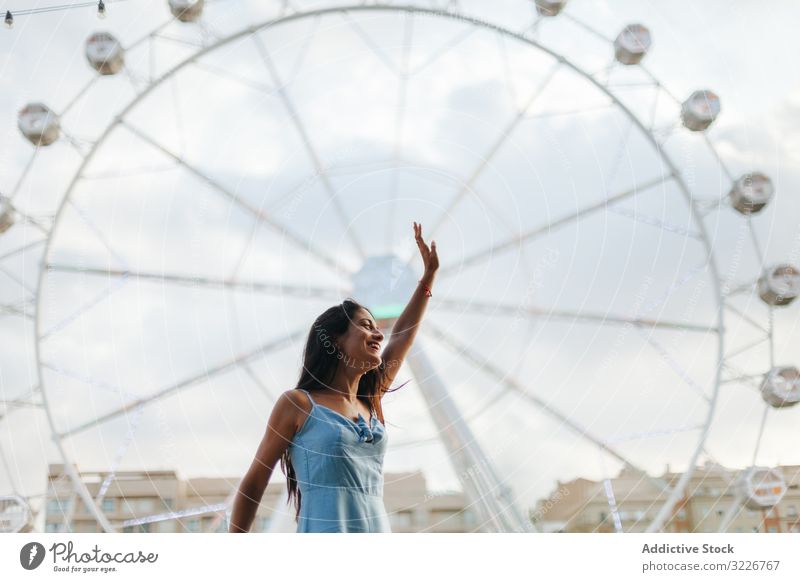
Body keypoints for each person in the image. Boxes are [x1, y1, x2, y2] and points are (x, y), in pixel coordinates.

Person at [229, 221, 439, 532]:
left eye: (376, 326)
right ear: (336, 339)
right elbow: (254, 483)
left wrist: (428, 276)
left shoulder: (371, 402)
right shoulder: (298, 404)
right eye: (365, 325)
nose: (378, 333)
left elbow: (403, 338)